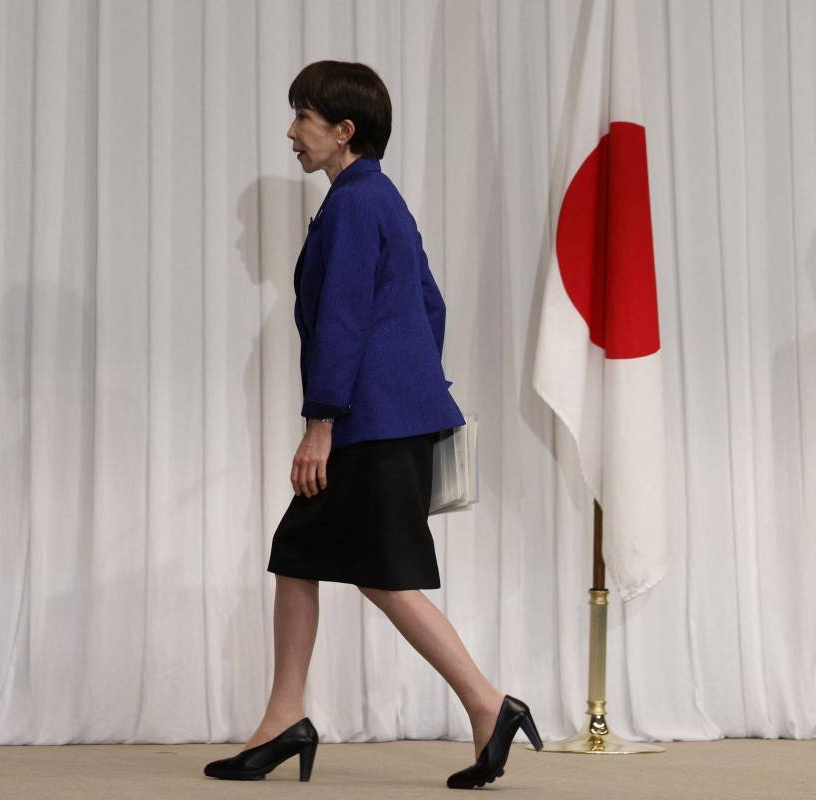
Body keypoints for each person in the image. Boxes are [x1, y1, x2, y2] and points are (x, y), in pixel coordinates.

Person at [202, 61, 541, 788]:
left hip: (366, 423)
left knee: (381, 575)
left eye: (304, 117)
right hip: (387, 416)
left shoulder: (356, 204)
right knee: (299, 551)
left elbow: (346, 318)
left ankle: (489, 704)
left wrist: (322, 421)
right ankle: (284, 717)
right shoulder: (376, 197)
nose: (292, 133)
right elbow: (431, 306)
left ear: (343, 130)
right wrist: (408, 386)